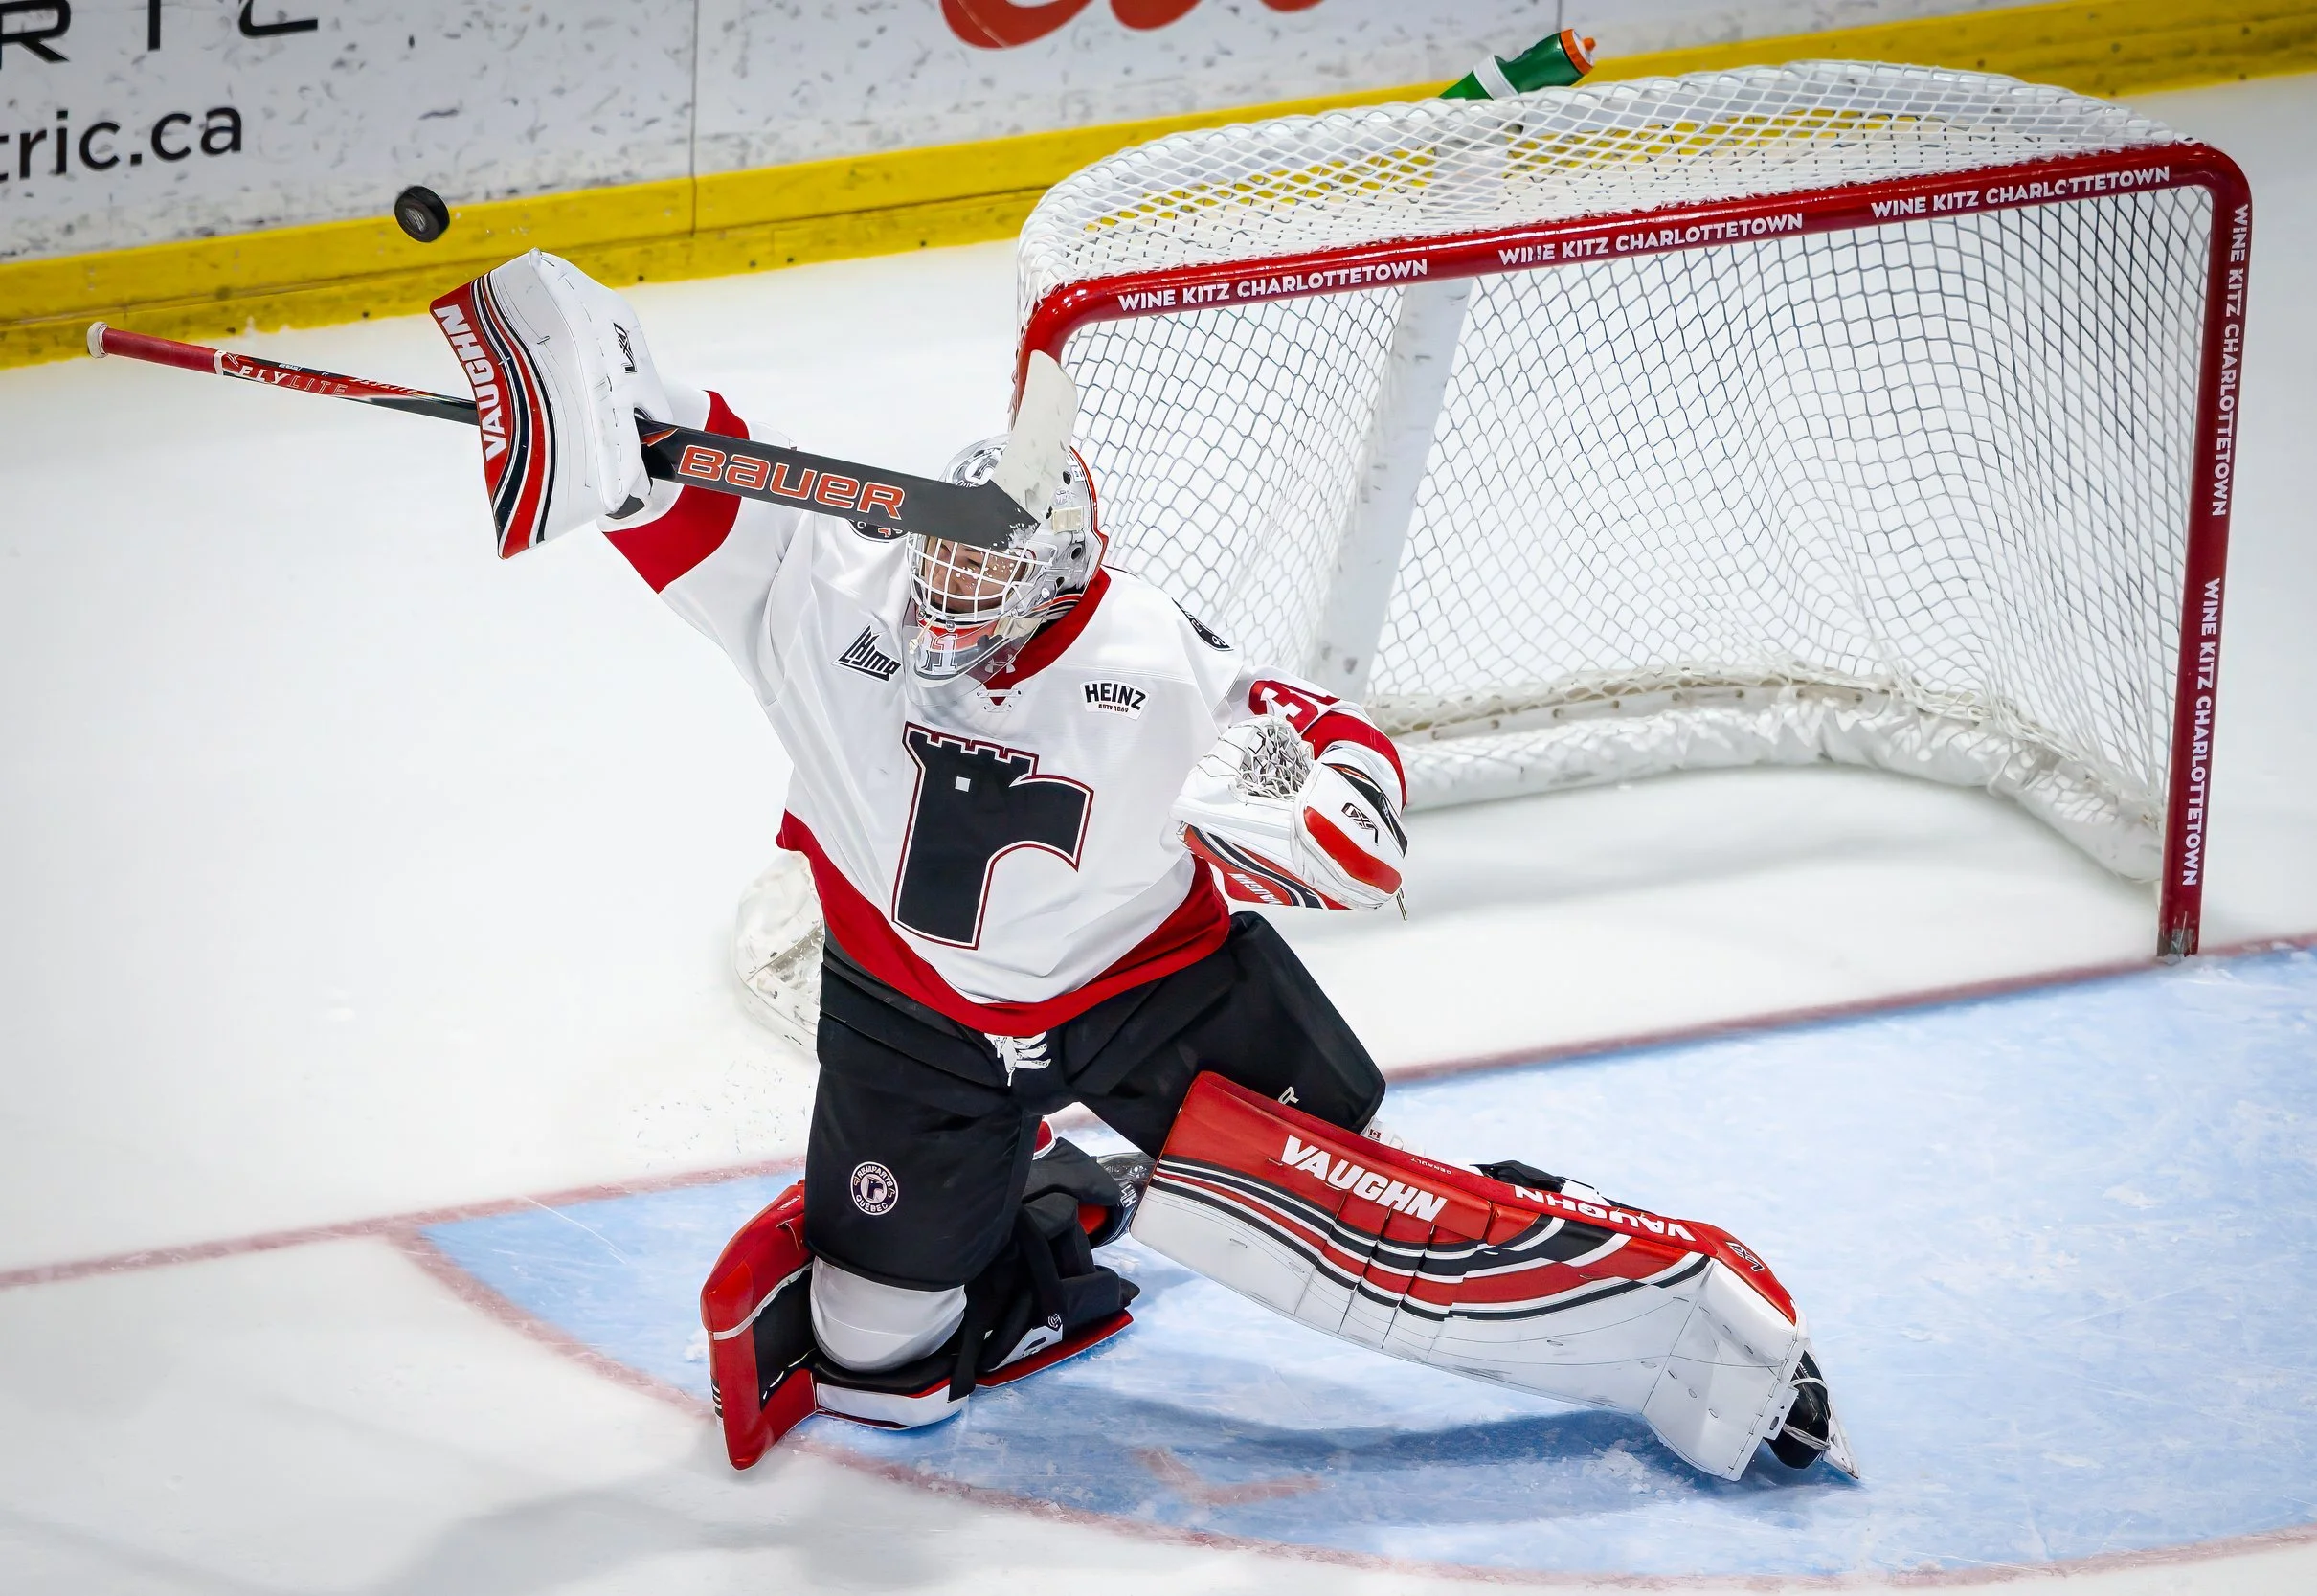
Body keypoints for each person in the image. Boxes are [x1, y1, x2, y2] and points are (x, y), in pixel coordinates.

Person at [444, 250, 1852, 1484]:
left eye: (984, 582)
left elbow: (1324, 745)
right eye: (939, 567)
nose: (945, 604)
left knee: (1334, 1210)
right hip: (915, 1015)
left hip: (1144, 991)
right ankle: (1049, 1219)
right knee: (884, 1370)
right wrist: (584, 405)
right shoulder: (828, 590)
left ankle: (1559, 1245)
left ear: (1060, 576)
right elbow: (668, 462)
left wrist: (1334, 809)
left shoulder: (1142, 655)